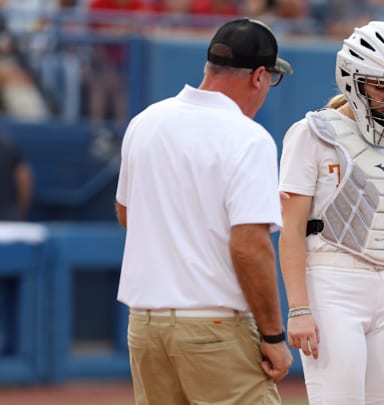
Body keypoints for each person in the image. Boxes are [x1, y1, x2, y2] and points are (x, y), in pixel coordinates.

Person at [114, 18, 293, 405]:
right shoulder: (249, 138)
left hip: (145, 327)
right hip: (214, 325)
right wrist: (274, 336)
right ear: (259, 76)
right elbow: (250, 247)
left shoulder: (144, 122)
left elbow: (128, 215)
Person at [278, 20, 384, 405]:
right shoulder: (313, 133)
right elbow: (291, 230)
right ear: (351, 80)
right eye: (381, 86)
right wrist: (299, 308)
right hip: (332, 283)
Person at [0, 132, 32, 221]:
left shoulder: (6, 145)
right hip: (10, 219)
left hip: (9, 220)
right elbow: (24, 178)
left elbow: (23, 178)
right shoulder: (6, 143)